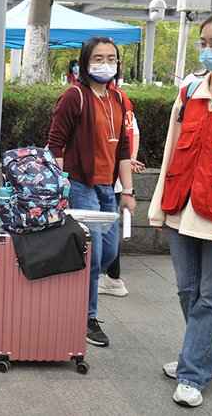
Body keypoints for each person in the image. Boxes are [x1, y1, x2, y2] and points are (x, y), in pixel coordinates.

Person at [149, 10, 212, 408]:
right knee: (188, 289)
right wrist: (158, 208)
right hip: (180, 207)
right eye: (203, 44)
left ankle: (192, 373)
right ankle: (206, 357)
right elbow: (171, 153)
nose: (208, 51)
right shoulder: (189, 92)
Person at [48, 36, 136, 348]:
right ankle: (87, 317)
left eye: (111, 58)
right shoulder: (74, 96)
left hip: (107, 188)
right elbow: (56, 143)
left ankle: (75, 300)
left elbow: (123, 149)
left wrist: (128, 191)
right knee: (93, 256)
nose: (105, 64)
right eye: (98, 58)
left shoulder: (118, 99)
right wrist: (61, 187)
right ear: (85, 62)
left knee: (108, 253)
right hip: (80, 185)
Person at [98, 81, 144, 297]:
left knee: (103, 228)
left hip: (106, 175)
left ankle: (112, 278)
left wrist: (127, 162)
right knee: (108, 227)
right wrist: (130, 159)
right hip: (116, 177)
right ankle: (111, 278)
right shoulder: (121, 97)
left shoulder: (108, 98)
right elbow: (133, 132)